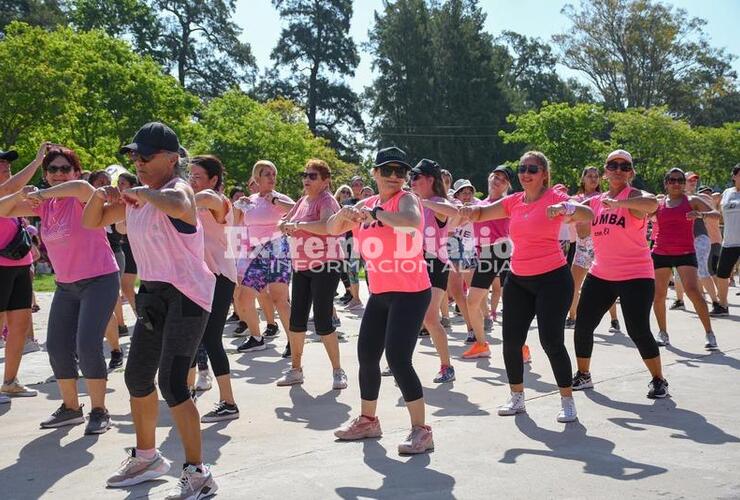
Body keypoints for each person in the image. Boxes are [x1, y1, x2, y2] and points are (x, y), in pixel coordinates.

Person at [83, 122, 217, 497]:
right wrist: (101, 195)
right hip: (154, 295)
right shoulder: (137, 200)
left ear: (172, 158)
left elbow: (181, 206)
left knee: (173, 383)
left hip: (189, 295)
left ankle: (199, 473)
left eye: (145, 156)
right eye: (133, 156)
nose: (137, 162)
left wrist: (141, 192)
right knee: (137, 378)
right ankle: (147, 457)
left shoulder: (179, 189)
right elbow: (91, 221)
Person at [460, 151, 593, 422]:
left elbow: (587, 212)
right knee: (511, 342)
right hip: (519, 280)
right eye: (522, 168)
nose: (525, 174)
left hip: (553, 280)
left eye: (532, 169)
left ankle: (567, 399)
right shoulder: (514, 202)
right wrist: (468, 211)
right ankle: (517, 396)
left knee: (551, 341)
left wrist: (565, 209)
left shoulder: (554, 197)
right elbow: (483, 212)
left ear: (544, 174)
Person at [0, 144, 119, 431]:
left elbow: (78, 188)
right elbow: (3, 210)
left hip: (99, 279)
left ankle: (99, 410)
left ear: (76, 171)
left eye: (65, 168)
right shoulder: (45, 204)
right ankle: (70, 407)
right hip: (66, 285)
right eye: (52, 169)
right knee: (56, 346)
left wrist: (39, 192)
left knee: (88, 345)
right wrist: (22, 194)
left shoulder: (84, 196)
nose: (58, 174)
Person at [329, 147, 434, 454]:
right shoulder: (366, 204)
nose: (393, 177)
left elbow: (411, 222)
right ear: (374, 173)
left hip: (411, 292)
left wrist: (375, 214)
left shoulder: (406, 200)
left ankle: (422, 430)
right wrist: (343, 214)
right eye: (386, 170)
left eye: (400, 172)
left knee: (398, 358)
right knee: (367, 355)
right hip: (381, 292)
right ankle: (368, 421)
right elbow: (330, 229)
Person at [572, 150, 668, 398]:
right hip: (601, 273)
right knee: (582, 325)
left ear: (631, 172)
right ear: (605, 171)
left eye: (624, 166)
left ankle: (658, 379)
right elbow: (577, 219)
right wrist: (563, 210)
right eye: (612, 165)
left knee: (637, 329)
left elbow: (652, 204)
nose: (618, 169)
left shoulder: (634, 196)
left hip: (636, 274)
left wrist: (619, 204)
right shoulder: (595, 201)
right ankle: (583, 375)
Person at [276, 159, 347, 389]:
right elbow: (286, 221)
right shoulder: (303, 200)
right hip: (302, 265)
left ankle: (338, 371)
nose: (306, 179)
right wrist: (284, 225)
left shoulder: (327, 200)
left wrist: (296, 226)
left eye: (312, 176)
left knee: (323, 320)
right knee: (296, 321)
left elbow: (326, 225)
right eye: (305, 175)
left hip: (326, 265)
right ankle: (296, 370)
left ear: (325, 181)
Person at [186, 155, 240, 423]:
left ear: (213, 179)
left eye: (196, 176)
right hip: (196, 278)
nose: (190, 181)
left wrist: (172, 200)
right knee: (190, 337)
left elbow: (207, 199)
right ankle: (186, 394)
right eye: (189, 176)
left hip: (220, 278)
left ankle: (228, 402)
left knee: (210, 338)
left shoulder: (219, 202)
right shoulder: (188, 204)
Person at [651, 168, 719, 350]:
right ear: (666, 183)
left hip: (685, 252)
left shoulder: (692, 200)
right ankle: (663, 333)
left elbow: (716, 215)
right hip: (660, 252)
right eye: (672, 180)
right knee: (659, 295)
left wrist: (701, 215)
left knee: (693, 291)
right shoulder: (659, 203)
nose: (676, 184)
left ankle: (709, 333)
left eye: (680, 180)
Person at [235, 160, 294, 354]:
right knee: (243, 298)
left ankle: (294, 341)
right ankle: (256, 338)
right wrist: (238, 209)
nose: (272, 177)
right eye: (267, 174)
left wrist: (275, 201)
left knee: (279, 299)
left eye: (273, 174)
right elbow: (237, 226)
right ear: (256, 178)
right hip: (256, 252)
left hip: (278, 250)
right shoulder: (249, 200)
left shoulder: (278, 198)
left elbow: (296, 210)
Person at [0, 146, 45, 403]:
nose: (6, 165)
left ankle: (10, 382)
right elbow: (7, 191)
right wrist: (37, 161)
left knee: (19, 325)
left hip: (20, 264)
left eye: (8, 161)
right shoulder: (6, 193)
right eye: (1, 162)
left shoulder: (13, 193)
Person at [412, 159, 455, 383]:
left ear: (430, 179)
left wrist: (426, 203)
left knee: (429, 318)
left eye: (416, 177)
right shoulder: (411, 203)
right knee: (407, 317)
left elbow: (453, 210)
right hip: (413, 262)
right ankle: (399, 362)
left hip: (435, 263)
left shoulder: (437, 203)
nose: (412, 181)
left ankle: (447, 366)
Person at [565, 166, 620, 332]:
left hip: (601, 246)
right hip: (582, 247)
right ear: (583, 179)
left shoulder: (604, 198)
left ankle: (614, 319)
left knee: (608, 285)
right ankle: (572, 316)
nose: (593, 179)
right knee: (574, 284)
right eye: (589, 176)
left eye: (596, 176)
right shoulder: (575, 199)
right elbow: (575, 221)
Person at [88, 169, 126, 370]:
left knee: (107, 306)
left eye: (107, 181)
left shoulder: (111, 205)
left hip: (110, 258)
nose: (105, 184)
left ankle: (115, 349)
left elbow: (120, 228)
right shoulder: (80, 203)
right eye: (100, 181)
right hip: (81, 262)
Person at [715, 164, 740, 315]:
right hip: (730, 241)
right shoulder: (727, 193)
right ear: (734, 176)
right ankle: (723, 305)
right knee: (722, 274)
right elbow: (719, 213)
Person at [115, 172, 140, 317]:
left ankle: (142, 318)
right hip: (122, 245)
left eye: (123, 183)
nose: (119, 186)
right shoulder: (118, 201)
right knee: (124, 288)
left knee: (126, 286)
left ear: (133, 186)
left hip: (132, 247)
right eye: (118, 182)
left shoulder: (138, 202)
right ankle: (140, 318)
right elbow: (119, 228)